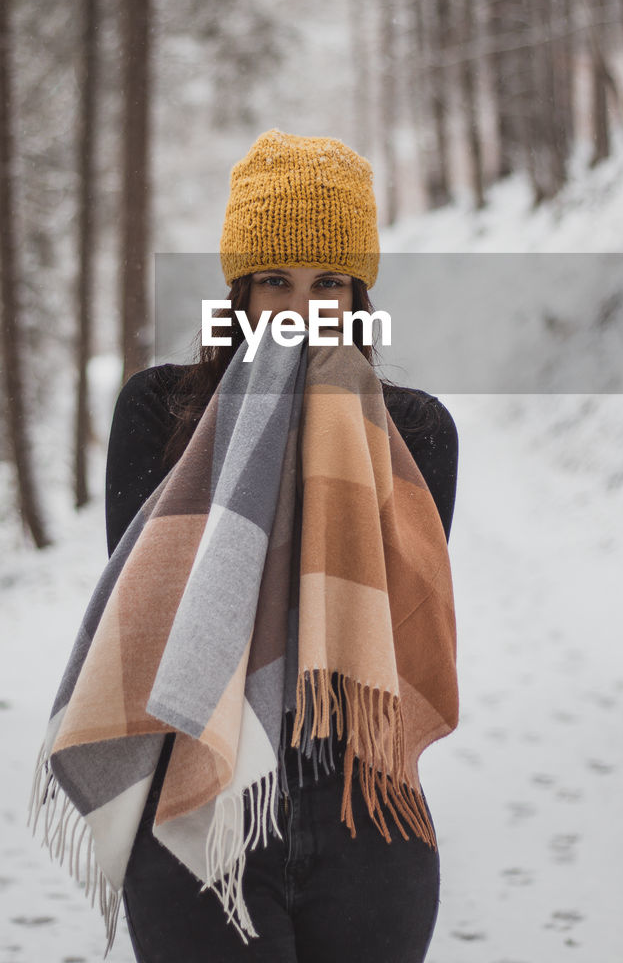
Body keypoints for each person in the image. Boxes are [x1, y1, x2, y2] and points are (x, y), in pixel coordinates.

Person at [104, 128, 459, 963]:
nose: (301, 308)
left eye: (328, 282)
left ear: (358, 292)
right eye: (275, 281)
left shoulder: (415, 433)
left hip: (363, 813)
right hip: (196, 809)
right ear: (238, 290)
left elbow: (393, 618)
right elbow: (148, 615)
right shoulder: (160, 415)